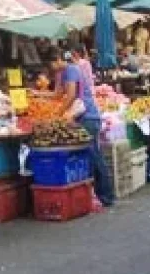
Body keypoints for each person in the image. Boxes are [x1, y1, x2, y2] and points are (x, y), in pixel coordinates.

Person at [49, 47, 114, 207]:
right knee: (91, 155)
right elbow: (57, 94)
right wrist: (36, 93)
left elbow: (70, 96)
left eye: (51, 63)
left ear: (57, 60)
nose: (50, 68)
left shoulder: (71, 69)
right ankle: (96, 195)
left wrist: (58, 113)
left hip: (88, 117)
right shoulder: (64, 72)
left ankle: (106, 196)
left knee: (95, 156)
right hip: (83, 117)